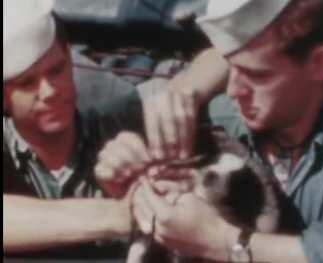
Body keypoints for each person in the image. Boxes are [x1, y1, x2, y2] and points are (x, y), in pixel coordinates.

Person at [96, 0, 323, 262]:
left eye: (256, 75)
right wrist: (127, 174)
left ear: (318, 64)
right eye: (230, 69)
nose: (233, 90)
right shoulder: (218, 120)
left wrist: (226, 242)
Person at [3, 0, 226, 258]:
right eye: (27, 82)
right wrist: (123, 213)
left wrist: (183, 92)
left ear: (69, 58)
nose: (50, 91)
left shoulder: (122, 118)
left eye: (57, 70)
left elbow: (232, 49)